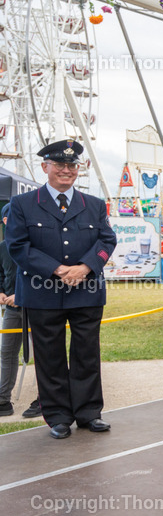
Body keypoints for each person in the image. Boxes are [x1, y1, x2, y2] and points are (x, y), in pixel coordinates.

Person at [6, 140, 117, 439]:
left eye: (72, 166)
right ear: (45, 167)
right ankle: (57, 417)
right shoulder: (22, 204)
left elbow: (107, 240)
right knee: (49, 356)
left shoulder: (94, 204)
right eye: (59, 165)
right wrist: (57, 269)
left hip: (86, 290)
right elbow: (17, 246)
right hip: (41, 292)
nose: (66, 170)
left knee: (87, 354)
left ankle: (89, 413)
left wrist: (85, 267)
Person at [0, 204, 22, 417]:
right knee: (7, 353)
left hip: (37, 309)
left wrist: (21, 295)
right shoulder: (2, 247)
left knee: (45, 354)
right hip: (11, 311)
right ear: (6, 221)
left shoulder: (34, 244)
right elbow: (1, 274)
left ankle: (44, 399)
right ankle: (3, 401)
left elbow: (41, 276)